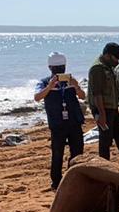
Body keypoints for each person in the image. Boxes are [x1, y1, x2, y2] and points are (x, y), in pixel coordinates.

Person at [34, 51, 86, 190]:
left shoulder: (71, 81)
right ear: (50, 68)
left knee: (77, 151)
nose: (60, 72)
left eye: (62, 68)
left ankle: (74, 177)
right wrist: (50, 87)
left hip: (74, 121)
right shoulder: (44, 82)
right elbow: (37, 97)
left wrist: (76, 86)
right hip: (57, 123)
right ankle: (56, 181)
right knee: (57, 153)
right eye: (57, 69)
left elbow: (83, 96)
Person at [87, 42, 119, 163]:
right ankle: (104, 165)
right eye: (116, 58)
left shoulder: (108, 66)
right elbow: (97, 93)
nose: (117, 61)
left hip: (112, 107)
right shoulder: (98, 69)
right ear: (108, 55)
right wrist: (101, 114)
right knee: (105, 139)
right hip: (103, 108)